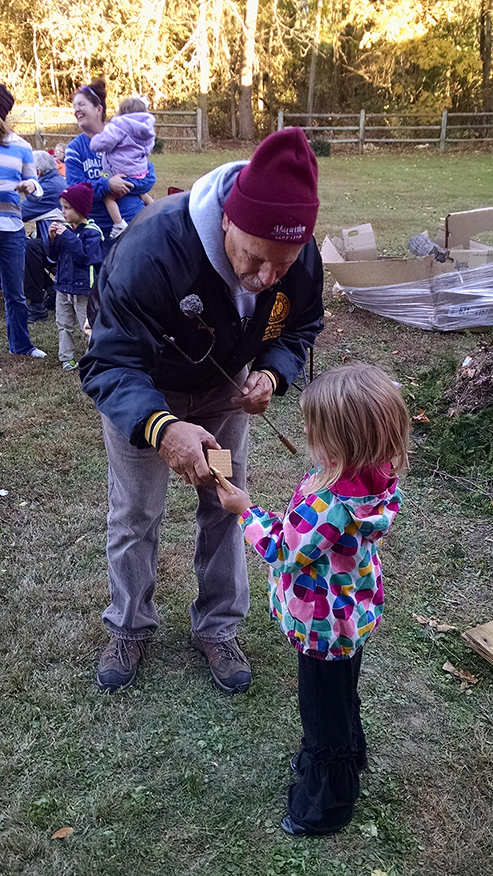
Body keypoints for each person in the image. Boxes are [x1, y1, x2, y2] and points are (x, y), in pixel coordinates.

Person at [80, 127, 324, 695]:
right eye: (257, 258)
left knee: (225, 504)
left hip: (225, 386)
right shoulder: (153, 248)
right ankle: (130, 625)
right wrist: (162, 429)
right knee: (137, 511)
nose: (266, 278)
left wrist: (272, 372)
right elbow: (109, 363)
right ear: (228, 221)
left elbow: (302, 324)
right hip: (147, 386)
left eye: (281, 267)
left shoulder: (299, 251)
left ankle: (218, 626)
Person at [215, 363, 410, 836]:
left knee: (321, 711)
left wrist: (245, 512)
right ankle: (351, 749)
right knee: (341, 693)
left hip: (322, 625)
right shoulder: (372, 477)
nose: (304, 430)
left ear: (343, 440)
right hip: (352, 609)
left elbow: (283, 551)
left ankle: (327, 803)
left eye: (313, 426)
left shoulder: (329, 503)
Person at [65, 78, 156, 256]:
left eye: (81, 104)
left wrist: (124, 185)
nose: (76, 110)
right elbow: (74, 189)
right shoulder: (75, 149)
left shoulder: (124, 135)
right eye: (74, 106)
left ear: (98, 109)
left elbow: (149, 178)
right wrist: (107, 185)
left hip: (135, 222)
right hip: (98, 231)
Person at [0, 84, 46, 358]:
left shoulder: (22, 147)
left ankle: (21, 345)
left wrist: (30, 185)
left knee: (15, 293)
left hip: (13, 229)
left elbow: (37, 189)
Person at [47, 182, 103, 371]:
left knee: (88, 325)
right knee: (63, 324)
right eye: (62, 207)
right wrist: (53, 239)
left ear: (80, 209)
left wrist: (67, 237)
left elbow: (85, 257)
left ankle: (95, 358)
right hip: (62, 286)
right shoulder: (67, 231)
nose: (62, 212)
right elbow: (53, 257)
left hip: (83, 289)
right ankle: (67, 358)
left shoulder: (92, 233)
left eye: (67, 208)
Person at [89, 96, 155, 239]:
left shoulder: (119, 125)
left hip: (121, 172)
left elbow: (102, 143)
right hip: (140, 172)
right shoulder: (147, 128)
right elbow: (148, 149)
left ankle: (118, 223)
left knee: (109, 198)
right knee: (140, 193)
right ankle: (155, 209)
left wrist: (95, 139)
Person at [22, 150, 66, 322]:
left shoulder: (47, 189)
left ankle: (36, 305)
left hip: (62, 245)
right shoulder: (55, 180)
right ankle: (51, 290)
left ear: (37, 172)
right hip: (58, 241)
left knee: (25, 246)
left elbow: (17, 212)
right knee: (29, 242)